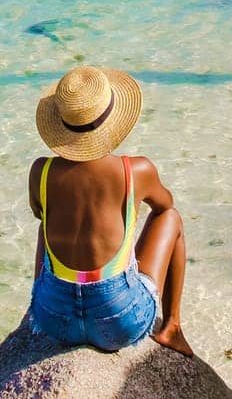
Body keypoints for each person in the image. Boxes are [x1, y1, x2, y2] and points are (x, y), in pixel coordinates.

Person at [27, 64, 192, 356]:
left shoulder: (41, 170)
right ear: (112, 121)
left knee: (47, 220)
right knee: (172, 218)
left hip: (55, 322)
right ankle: (172, 327)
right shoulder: (136, 170)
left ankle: (36, 303)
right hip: (118, 323)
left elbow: (40, 215)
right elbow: (165, 205)